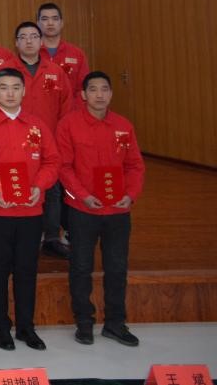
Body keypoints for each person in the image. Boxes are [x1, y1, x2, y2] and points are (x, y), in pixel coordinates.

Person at [0, 67, 59, 351]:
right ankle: (1, 327)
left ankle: (26, 327)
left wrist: (38, 187)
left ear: (24, 91)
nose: (10, 93)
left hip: (31, 211)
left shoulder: (37, 125)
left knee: (26, 269)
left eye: (16, 87)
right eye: (4, 87)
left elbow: (52, 161)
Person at [57, 71, 145, 348]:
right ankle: (84, 322)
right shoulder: (69, 124)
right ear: (83, 95)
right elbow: (64, 167)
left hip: (118, 211)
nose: (99, 94)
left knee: (117, 268)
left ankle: (115, 323)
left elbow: (134, 165)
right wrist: (83, 196)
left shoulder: (123, 125)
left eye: (104, 89)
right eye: (93, 89)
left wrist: (130, 195)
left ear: (111, 94)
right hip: (82, 210)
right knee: (81, 267)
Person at [13, 21, 75, 258]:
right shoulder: (8, 71)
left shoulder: (55, 71)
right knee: (19, 185)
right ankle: (27, 235)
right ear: (16, 42)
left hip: (49, 140)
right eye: (23, 37)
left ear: (41, 41)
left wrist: (60, 138)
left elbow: (66, 108)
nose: (29, 41)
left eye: (33, 36)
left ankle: (51, 236)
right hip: (15, 141)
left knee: (51, 191)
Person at [37, 3, 90, 98]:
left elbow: (83, 89)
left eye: (55, 19)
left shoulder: (77, 54)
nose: (50, 23)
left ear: (61, 23)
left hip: (70, 106)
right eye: (45, 19)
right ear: (38, 23)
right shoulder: (31, 53)